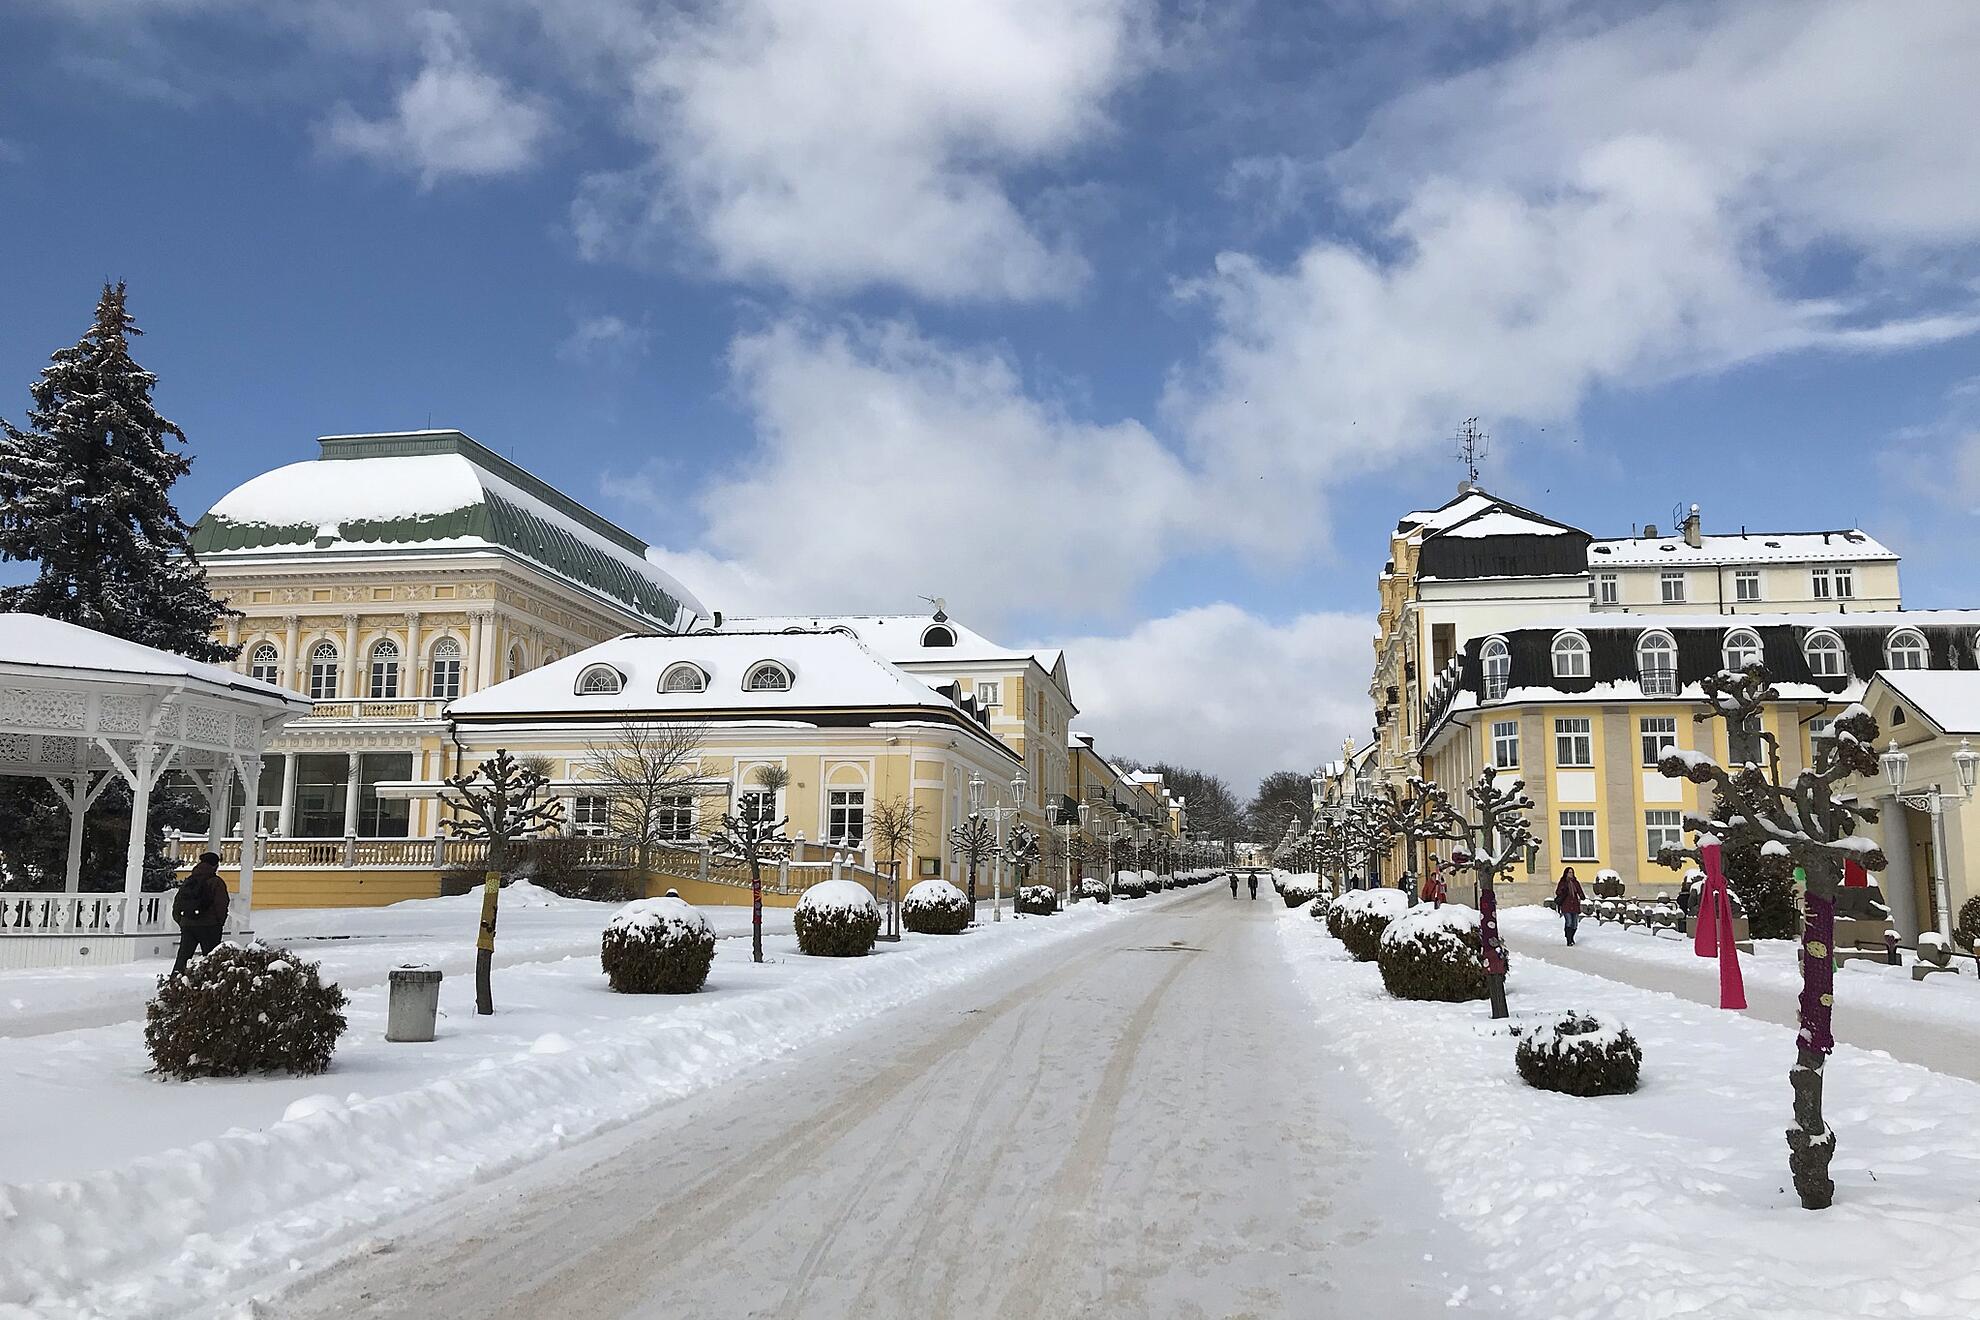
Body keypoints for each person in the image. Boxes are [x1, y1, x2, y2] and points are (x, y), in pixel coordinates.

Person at [172, 851, 230, 975]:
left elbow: (177, 902)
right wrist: (219, 922)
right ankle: (209, 984)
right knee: (211, 959)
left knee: (183, 956)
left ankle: (174, 983)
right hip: (209, 926)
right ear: (215, 865)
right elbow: (221, 904)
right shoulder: (216, 882)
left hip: (188, 924)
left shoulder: (190, 880)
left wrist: (182, 921)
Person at [1555, 865, 1585, 946]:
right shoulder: (1563, 882)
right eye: (1569, 872)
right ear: (1566, 873)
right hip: (1566, 905)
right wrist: (1563, 889)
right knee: (1569, 922)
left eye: (1572, 872)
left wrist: (1582, 896)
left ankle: (1571, 937)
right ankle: (1568, 940)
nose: (1571, 874)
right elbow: (1558, 892)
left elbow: (1579, 891)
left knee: (1575, 924)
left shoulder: (1575, 882)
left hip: (1574, 905)